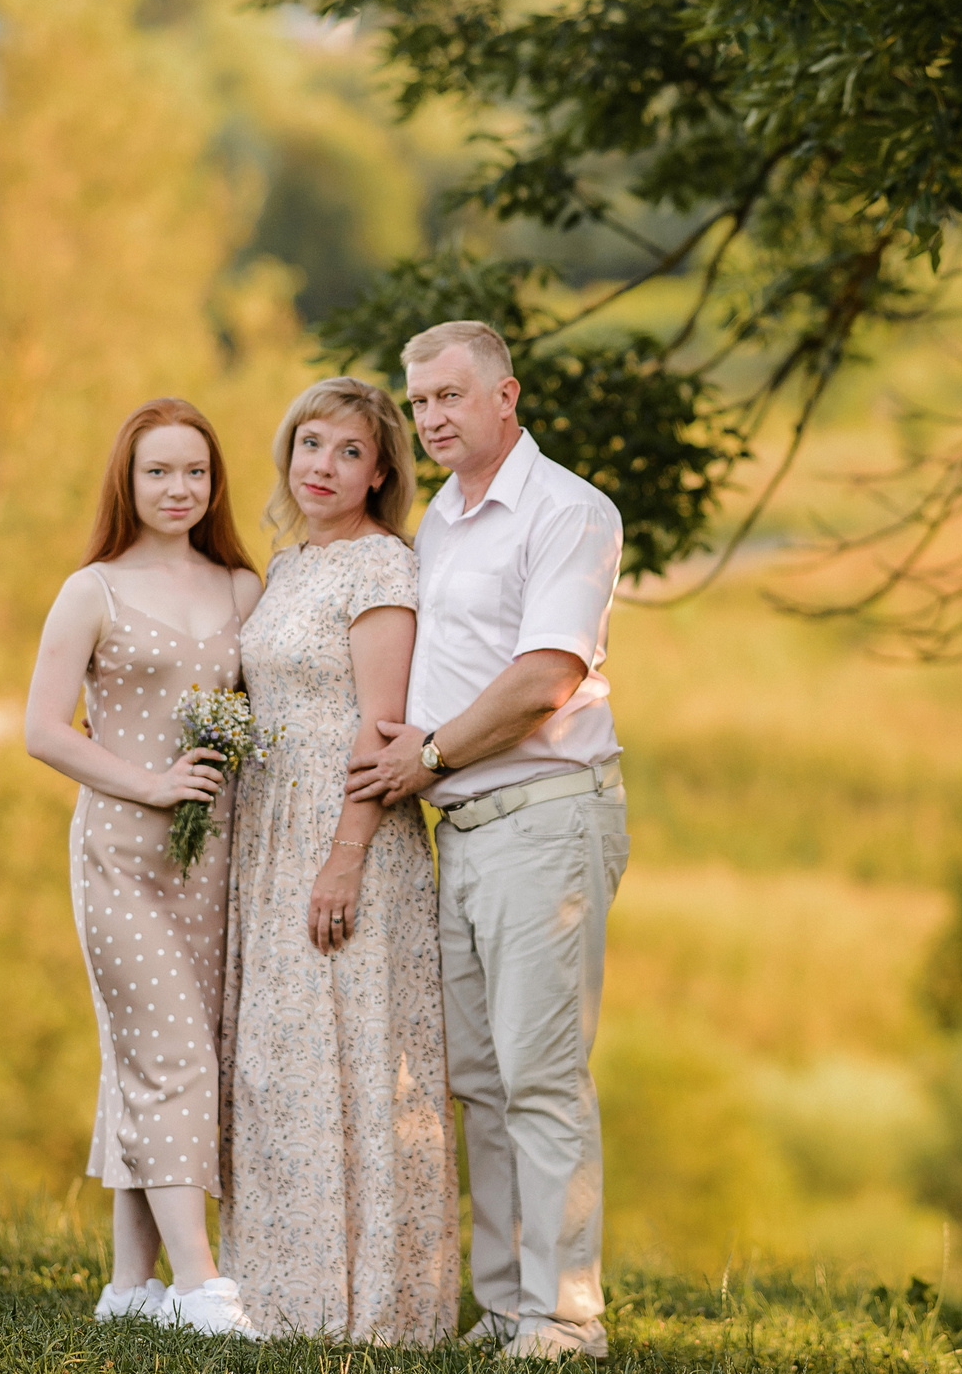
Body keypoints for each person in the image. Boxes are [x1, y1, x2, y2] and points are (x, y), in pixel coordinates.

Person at [348, 321, 629, 1363]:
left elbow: (543, 675)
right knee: (478, 1075)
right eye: (418, 402)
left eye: (451, 396)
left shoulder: (567, 510)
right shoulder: (441, 526)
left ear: (505, 395)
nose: (430, 417)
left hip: (543, 818)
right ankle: (510, 1305)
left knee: (541, 1073)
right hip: (461, 827)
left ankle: (566, 1316)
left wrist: (425, 751)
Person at [216, 376, 459, 1341]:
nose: (323, 465)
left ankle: (371, 1307)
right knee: (280, 1063)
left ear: (381, 472)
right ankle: (273, 1294)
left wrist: (345, 858)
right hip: (271, 840)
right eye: (310, 443)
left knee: (352, 1057)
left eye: (348, 451)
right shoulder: (283, 568)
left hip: (347, 836)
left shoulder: (380, 569)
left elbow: (381, 726)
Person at [24, 398, 263, 1338]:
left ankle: (130, 1289)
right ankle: (204, 1289)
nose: (179, 488)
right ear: (127, 479)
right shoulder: (93, 589)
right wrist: (154, 786)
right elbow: (42, 730)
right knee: (171, 1056)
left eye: (196, 472)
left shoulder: (243, 587)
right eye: (159, 471)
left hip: (216, 865)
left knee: (158, 1060)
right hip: (121, 856)